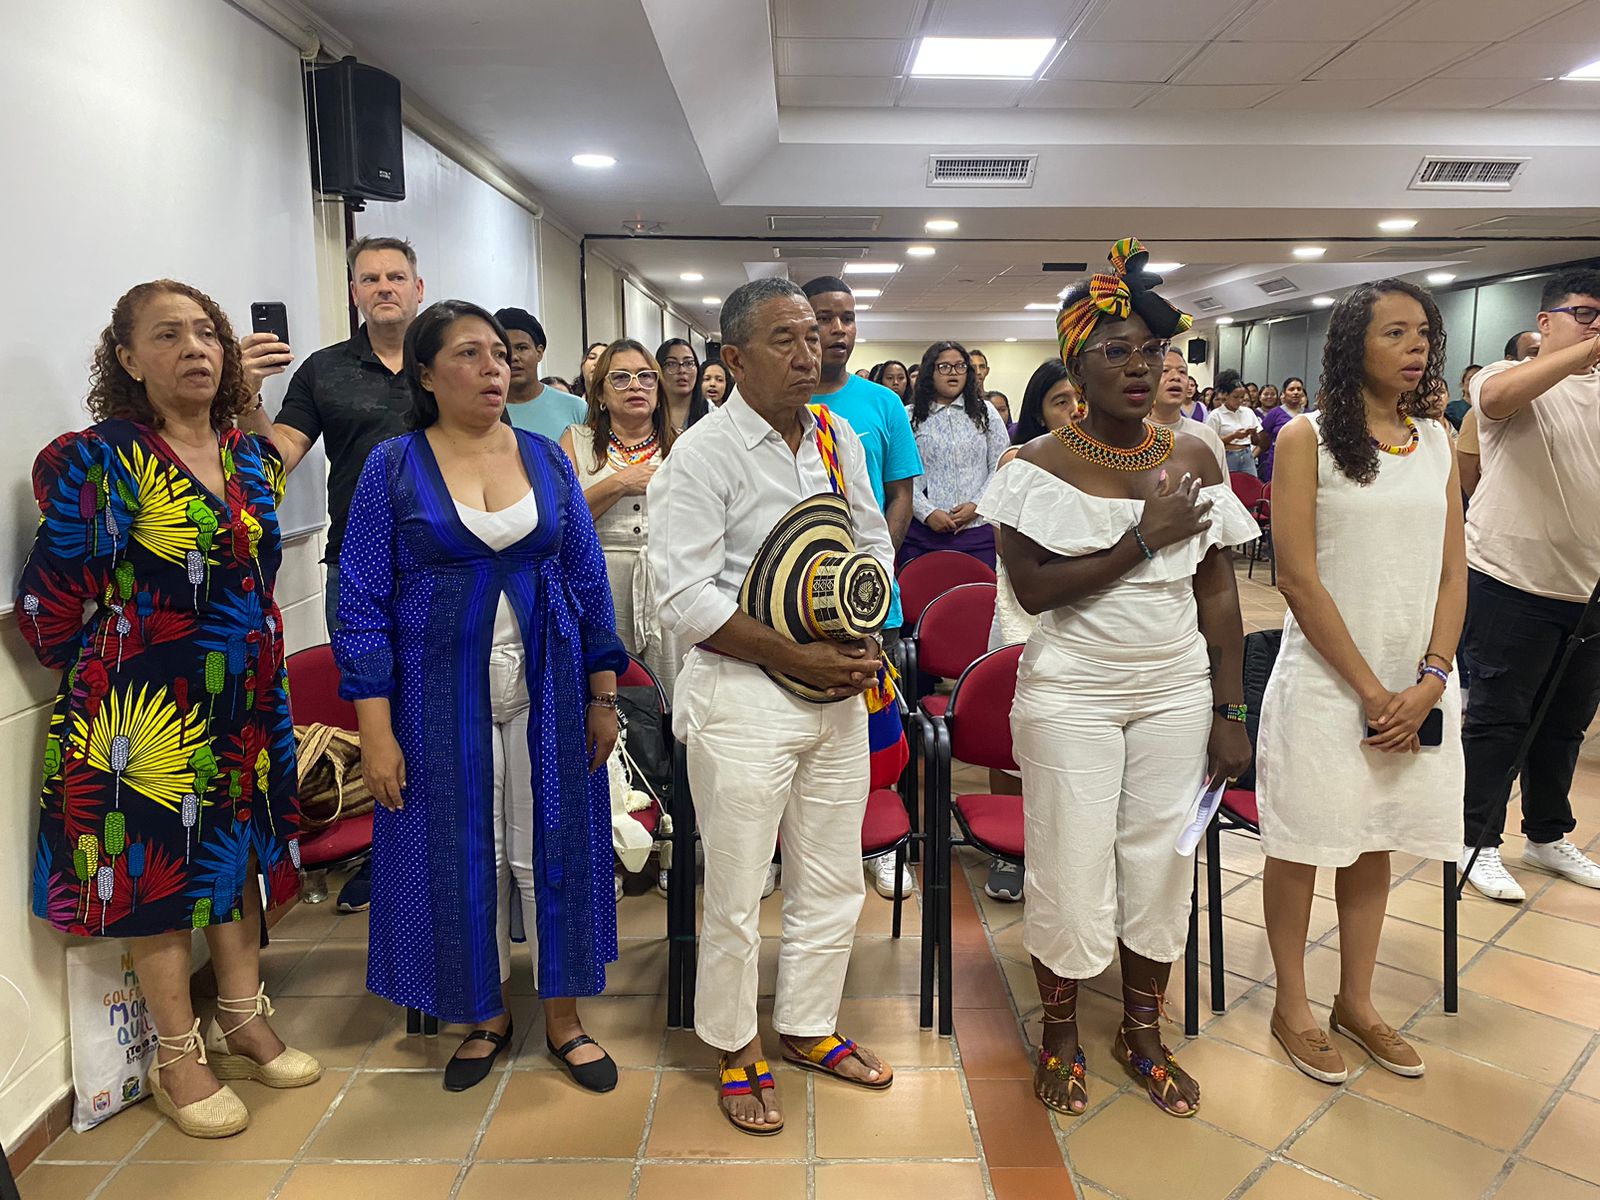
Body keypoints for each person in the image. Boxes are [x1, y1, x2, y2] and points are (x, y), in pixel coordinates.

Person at [19, 280, 321, 1138]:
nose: (194, 348)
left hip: (247, 697)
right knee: (155, 877)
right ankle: (175, 1055)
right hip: (140, 707)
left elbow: (258, 574)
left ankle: (242, 1016)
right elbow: (51, 597)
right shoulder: (92, 458)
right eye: (167, 335)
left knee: (234, 859)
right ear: (126, 359)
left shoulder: (252, 456)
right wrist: (124, 655)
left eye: (205, 334)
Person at [980, 238, 1256, 1119]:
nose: (1140, 368)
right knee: (1068, 858)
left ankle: (1143, 1033)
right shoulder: (1030, 467)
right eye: (1116, 352)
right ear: (1076, 363)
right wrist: (1144, 536)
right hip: (1072, 689)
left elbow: (1218, 594)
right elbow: (1033, 590)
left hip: (1176, 686)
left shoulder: (1196, 457)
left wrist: (1230, 707)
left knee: (1160, 861)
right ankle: (1059, 1033)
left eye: (1152, 351)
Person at [336, 300, 627, 1093]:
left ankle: (563, 1017)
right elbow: (359, 599)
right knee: (469, 852)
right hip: (434, 696)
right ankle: (484, 1012)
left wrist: (605, 693)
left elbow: (585, 575)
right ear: (426, 376)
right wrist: (376, 729)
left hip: (552, 686)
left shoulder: (547, 457)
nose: (493, 367)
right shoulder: (392, 466)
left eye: (499, 354)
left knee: (551, 845)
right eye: (469, 355)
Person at [649, 278, 896, 1136]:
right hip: (744, 698)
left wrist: (862, 630)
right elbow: (680, 592)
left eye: (816, 337)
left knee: (832, 878)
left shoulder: (833, 437)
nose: (811, 353)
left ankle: (808, 1025)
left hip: (836, 694)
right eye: (786, 340)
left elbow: (872, 539)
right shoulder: (706, 453)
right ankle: (734, 1041)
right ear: (733, 359)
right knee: (739, 885)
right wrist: (794, 654)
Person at [1257, 280, 1465, 1083]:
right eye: (1395, 333)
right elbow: (1298, 579)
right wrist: (1374, 692)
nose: (1415, 348)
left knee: (1373, 840)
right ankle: (1293, 1005)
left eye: (1423, 333)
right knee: (1305, 842)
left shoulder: (1438, 437)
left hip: (1418, 684)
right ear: (1353, 346)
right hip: (1328, 682)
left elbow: (1455, 572)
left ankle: (1358, 1001)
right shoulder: (1307, 439)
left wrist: (1431, 679)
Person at [243, 233, 424, 916]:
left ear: (418, 288)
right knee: (373, 715)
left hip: (444, 565)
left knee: (441, 708)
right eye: (369, 278)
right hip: (357, 564)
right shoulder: (323, 371)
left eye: (395, 276)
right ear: (354, 292)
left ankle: (458, 851)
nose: (383, 286)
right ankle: (389, 855)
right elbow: (277, 456)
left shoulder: (445, 360)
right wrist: (245, 398)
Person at [1459, 270, 1600, 900]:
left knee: (1565, 722)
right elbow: (1493, 402)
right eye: (1586, 314)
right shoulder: (1500, 375)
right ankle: (1476, 838)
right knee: (1497, 717)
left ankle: (1546, 834)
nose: (1596, 328)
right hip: (1510, 582)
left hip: (1588, 591)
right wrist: (1581, 353)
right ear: (1547, 323)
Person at [803, 276, 924, 901]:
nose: (839, 329)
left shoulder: (881, 404)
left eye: (847, 317)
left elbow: (899, 494)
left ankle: (881, 845)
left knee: (874, 725)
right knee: (799, 731)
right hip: (791, 605)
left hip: (872, 597)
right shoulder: (774, 404)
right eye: (825, 317)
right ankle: (784, 852)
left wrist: (870, 579)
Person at [978, 360, 1080, 905]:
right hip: (1023, 610)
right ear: (1037, 409)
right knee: (1013, 737)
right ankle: (1009, 848)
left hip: (1088, 616)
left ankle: (1060, 847)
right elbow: (1009, 549)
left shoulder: (1112, 461)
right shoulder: (1019, 460)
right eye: (1060, 401)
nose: (1073, 412)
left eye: (1078, 400)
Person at [559, 339, 684, 697]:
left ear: (658, 392)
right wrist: (619, 484)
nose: (636, 386)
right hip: (596, 579)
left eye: (647, 377)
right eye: (621, 378)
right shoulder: (577, 441)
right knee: (604, 691)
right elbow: (560, 520)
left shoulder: (683, 445)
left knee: (669, 694)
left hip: (665, 579)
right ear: (599, 393)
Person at [902, 342, 1010, 569]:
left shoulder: (986, 411)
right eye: (944, 367)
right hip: (925, 535)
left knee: (980, 599)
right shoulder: (909, 417)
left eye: (960, 366)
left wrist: (976, 505)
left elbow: (1001, 467)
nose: (953, 372)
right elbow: (901, 475)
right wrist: (928, 513)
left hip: (978, 532)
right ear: (930, 372)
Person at [494, 307, 587, 439]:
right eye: (505, 350)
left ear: (539, 352)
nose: (513, 357)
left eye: (522, 348)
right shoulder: (485, 410)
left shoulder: (576, 409)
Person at [1156, 349, 1228, 473]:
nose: (1176, 377)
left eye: (1182, 372)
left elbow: (1221, 491)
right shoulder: (1129, 437)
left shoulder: (1207, 436)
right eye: (1165, 370)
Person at [1208, 369, 1263, 477]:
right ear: (1226, 396)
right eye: (1235, 397)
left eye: (1242, 397)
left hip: (1247, 454)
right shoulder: (1216, 415)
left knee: (1251, 486)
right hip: (1227, 455)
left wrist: (1253, 434)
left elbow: (1257, 442)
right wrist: (1233, 436)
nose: (1240, 401)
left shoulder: (1248, 412)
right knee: (1230, 487)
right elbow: (1211, 442)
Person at [657, 337, 709, 434]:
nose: (682, 371)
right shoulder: (649, 416)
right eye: (671, 364)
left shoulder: (713, 414)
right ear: (659, 370)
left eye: (689, 363)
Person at [1255, 379, 1294, 482]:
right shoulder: (1274, 413)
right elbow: (1263, 436)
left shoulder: (1306, 413)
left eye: (1273, 394)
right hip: (1270, 456)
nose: (1269, 397)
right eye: (1266, 394)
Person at [1444, 364, 1482, 431]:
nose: (1474, 382)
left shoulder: (1489, 410)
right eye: (1470, 378)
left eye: (1479, 379)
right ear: (1462, 384)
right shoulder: (1452, 409)